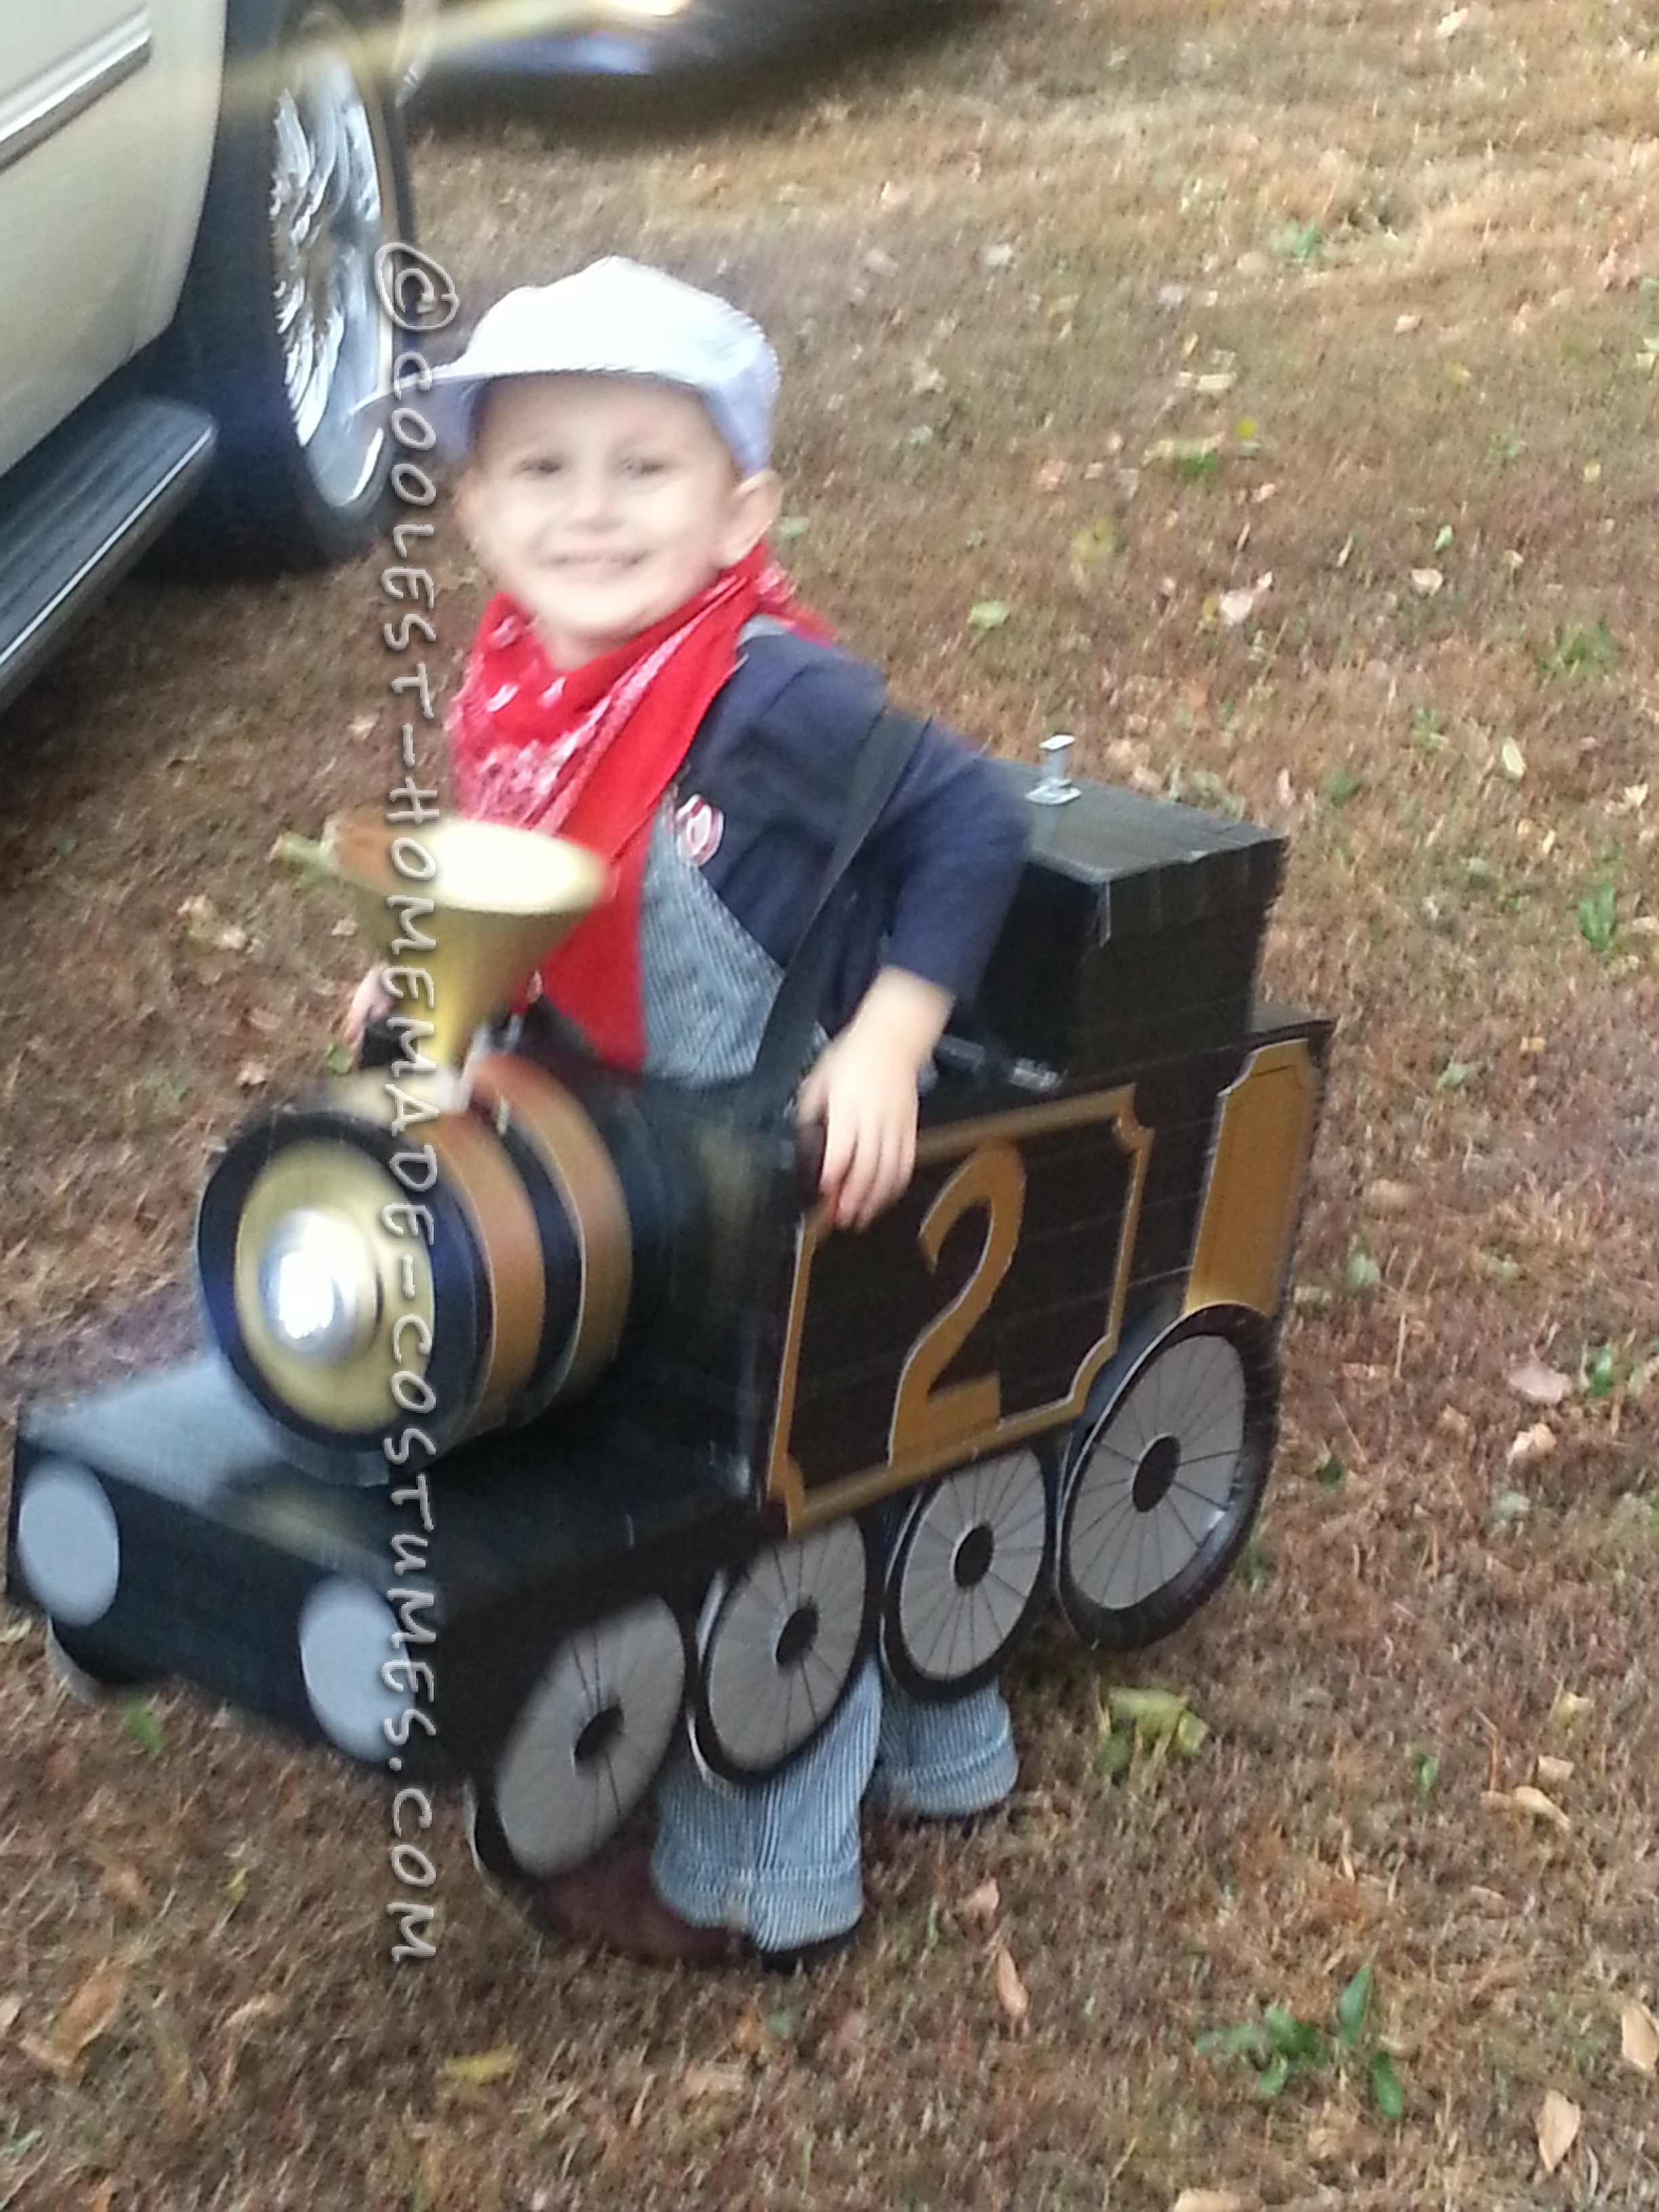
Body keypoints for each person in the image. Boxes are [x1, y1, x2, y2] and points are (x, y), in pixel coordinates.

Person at [350, 257, 1029, 1966]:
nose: (588, 511)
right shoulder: (520, 686)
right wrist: (428, 992)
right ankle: (629, 1732)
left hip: (782, 1143)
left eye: (642, 468)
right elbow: (538, 907)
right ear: (480, 505)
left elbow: (972, 824)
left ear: (741, 514)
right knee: (617, 1448)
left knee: (774, 1502)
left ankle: (771, 1873)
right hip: (626, 1141)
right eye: (541, 467)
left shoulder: (773, 696)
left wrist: (885, 1039)